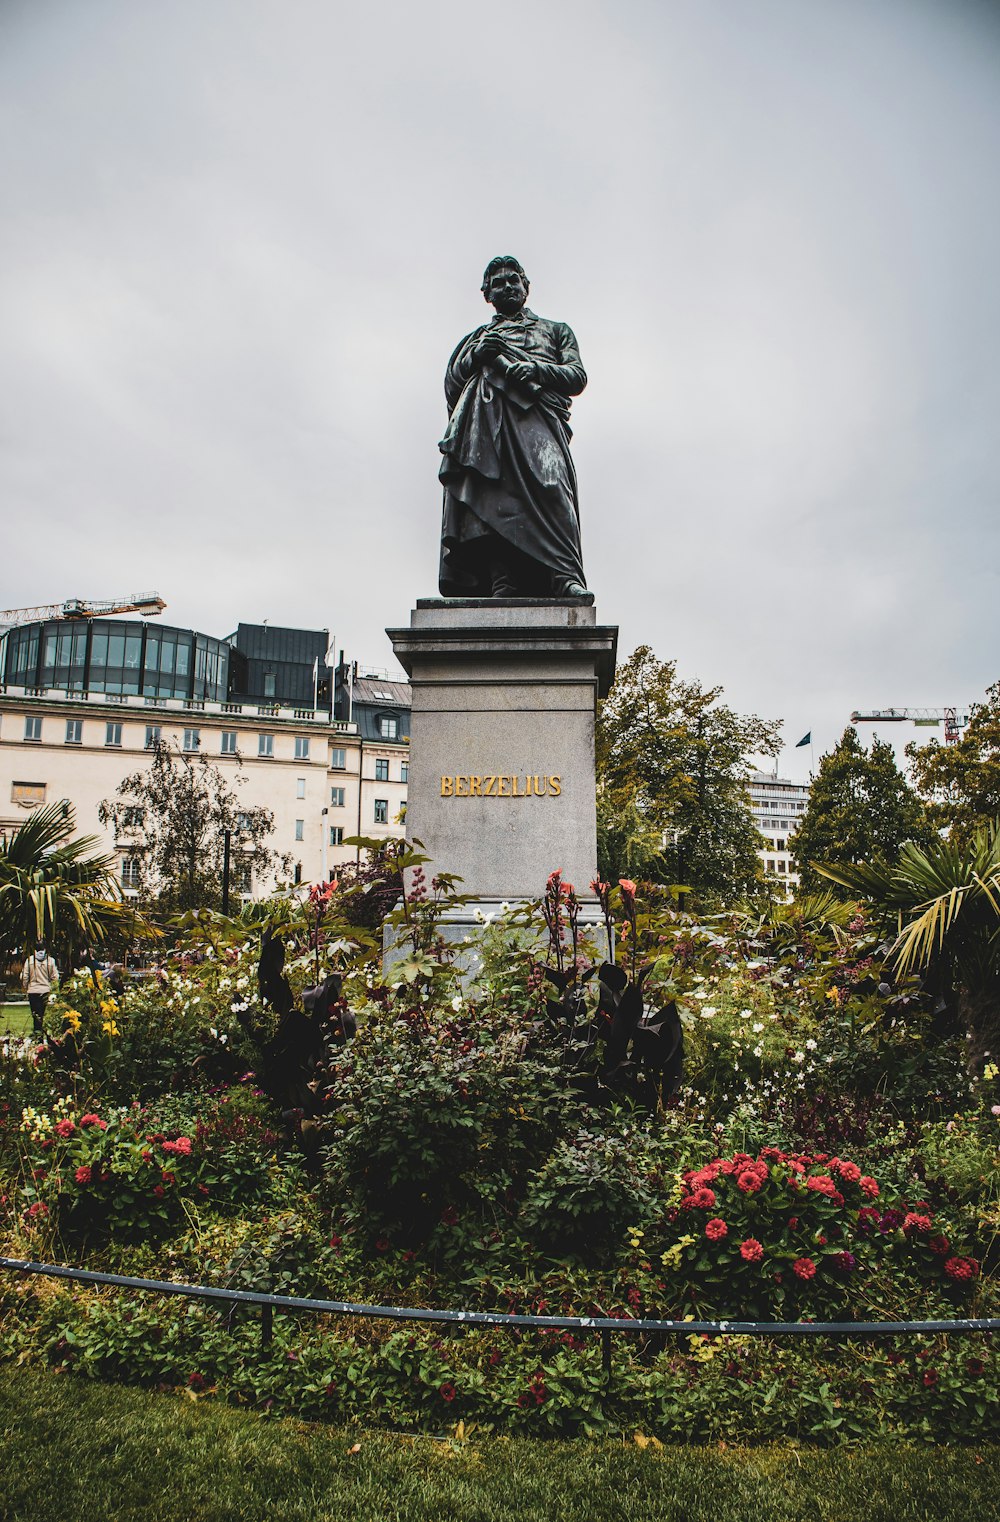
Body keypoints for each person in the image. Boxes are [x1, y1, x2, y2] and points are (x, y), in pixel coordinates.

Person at [438, 256, 590, 599]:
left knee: (552, 487)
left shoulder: (555, 330)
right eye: (498, 283)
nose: (507, 286)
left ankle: (562, 574)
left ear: (526, 286)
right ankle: (501, 580)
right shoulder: (476, 339)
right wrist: (476, 356)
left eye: (513, 280)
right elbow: (452, 387)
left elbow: (577, 376)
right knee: (490, 497)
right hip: (485, 424)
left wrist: (536, 370)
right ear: (486, 294)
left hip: (536, 419)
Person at [21, 940, 58, 1036]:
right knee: (43, 1014)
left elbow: (25, 976)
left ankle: (37, 1034)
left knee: (36, 1015)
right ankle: (44, 1033)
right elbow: (55, 977)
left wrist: (26, 986)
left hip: (33, 990)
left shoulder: (29, 961)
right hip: (45, 990)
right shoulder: (51, 961)